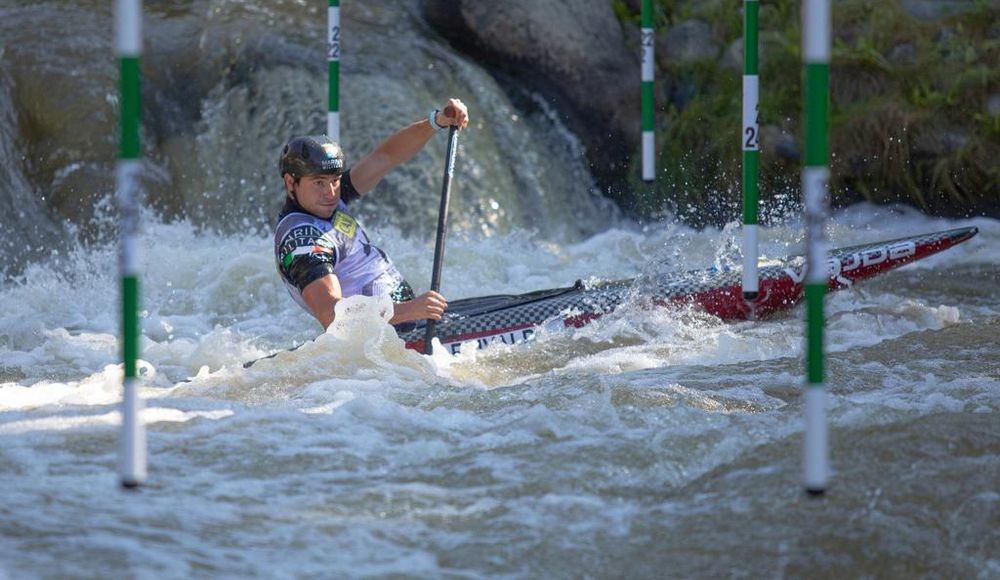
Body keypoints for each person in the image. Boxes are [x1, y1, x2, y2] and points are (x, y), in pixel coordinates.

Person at [273, 98, 469, 330]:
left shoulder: (328, 199)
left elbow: (387, 156)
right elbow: (332, 316)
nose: (331, 192)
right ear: (290, 183)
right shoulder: (303, 242)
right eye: (319, 183)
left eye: (335, 180)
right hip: (384, 343)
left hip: (405, 327)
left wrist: (436, 121)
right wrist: (410, 310)